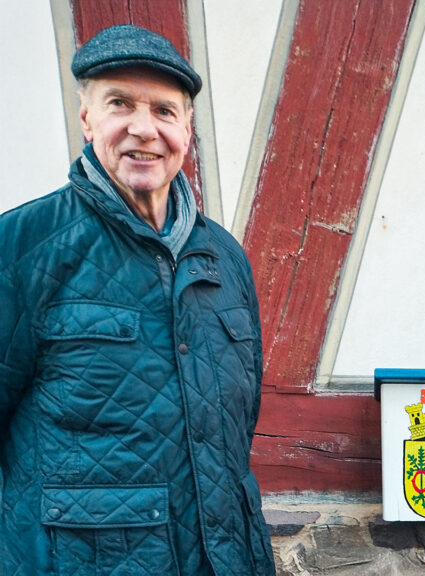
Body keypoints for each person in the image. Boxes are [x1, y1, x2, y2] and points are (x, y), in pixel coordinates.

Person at [0, 25, 274, 575]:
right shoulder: (23, 247)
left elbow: (236, 429)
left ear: (186, 128)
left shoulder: (224, 257)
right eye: (120, 103)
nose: (143, 128)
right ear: (87, 119)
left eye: (165, 111)